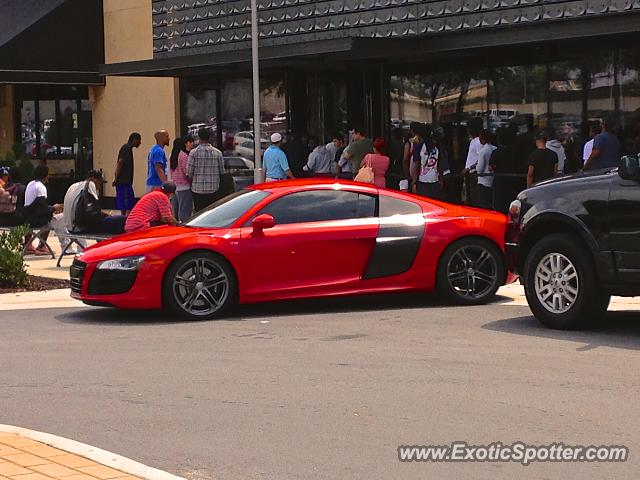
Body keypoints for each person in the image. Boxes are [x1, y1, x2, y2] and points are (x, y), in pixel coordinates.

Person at [64, 171, 126, 235]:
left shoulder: (73, 186)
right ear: (93, 179)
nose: (99, 187)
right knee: (123, 220)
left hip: (70, 228)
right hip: (80, 228)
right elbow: (94, 214)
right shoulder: (90, 184)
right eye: (99, 183)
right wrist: (105, 215)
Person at [21, 164, 65, 255]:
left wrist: (50, 208)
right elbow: (41, 208)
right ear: (46, 175)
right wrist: (54, 208)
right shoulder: (41, 187)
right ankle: (41, 246)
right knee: (49, 219)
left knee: (47, 214)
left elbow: (35, 205)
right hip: (35, 219)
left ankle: (28, 244)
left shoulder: (30, 184)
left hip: (27, 217)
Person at [187, 128, 225, 213]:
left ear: (199, 137)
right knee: (212, 214)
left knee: (199, 215)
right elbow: (222, 172)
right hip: (213, 189)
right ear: (210, 137)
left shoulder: (193, 153)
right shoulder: (218, 153)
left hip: (198, 190)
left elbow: (189, 172)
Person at [490, 128, 518, 214]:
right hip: (512, 181)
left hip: (499, 180)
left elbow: (490, 167)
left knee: (499, 204)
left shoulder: (496, 152)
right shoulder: (514, 152)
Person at [113, 132, 141, 215]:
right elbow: (120, 162)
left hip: (126, 181)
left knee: (128, 202)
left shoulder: (128, 149)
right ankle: (125, 218)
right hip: (123, 181)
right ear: (134, 140)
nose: (140, 143)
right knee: (126, 202)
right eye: (139, 140)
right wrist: (116, 177)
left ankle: (125, 217)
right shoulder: (126, 148)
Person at [412, 125, 444, 199]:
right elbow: (440, 164)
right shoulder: (437, 146)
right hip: (435, 180)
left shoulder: (418, 146)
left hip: (422, 181)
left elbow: (416, 165)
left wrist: (414, 182)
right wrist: (441, 179)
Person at [171, 135, 195, 221]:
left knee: (176, 210)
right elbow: (187, 172)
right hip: (184, 186)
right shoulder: (183, 156)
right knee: (185, 211)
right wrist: (191, 182)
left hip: (175, 186)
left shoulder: (172, 156)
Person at [463, 117, 484, 205]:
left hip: (474, 174)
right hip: (470, 174)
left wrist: (469, 168)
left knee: (475, 198)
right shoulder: (473, 141)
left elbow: (480, 158)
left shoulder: (478, 142)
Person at [475, 129, 497, 209]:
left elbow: (479, 169)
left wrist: (476, 168)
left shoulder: (483, 151)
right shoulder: (495, 149)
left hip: (483, 181)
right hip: (492, 180)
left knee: (484, 204)